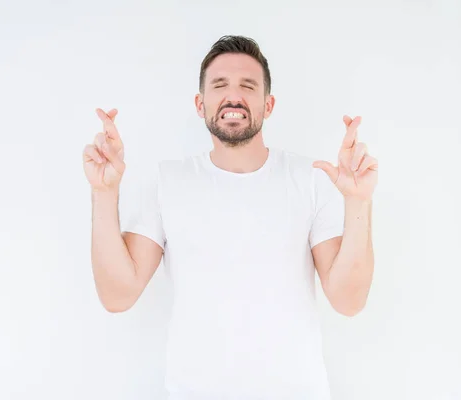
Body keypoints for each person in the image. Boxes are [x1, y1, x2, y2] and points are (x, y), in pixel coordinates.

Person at [82, 35, 378, 400]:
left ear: (268, 105)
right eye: (219, 85)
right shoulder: (167, 182)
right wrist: (103, 192)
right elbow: (117, 295)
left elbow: (349, 301)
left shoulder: (310, 179)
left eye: (248, 86)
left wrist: (359, 201)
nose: (233, 96)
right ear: (200, 103)